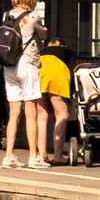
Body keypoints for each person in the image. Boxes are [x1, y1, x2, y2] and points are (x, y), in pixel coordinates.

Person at [0, 0, 48, 169]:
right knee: (31, 112)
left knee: (14, 113)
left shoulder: (7, 15)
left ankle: (9, 156)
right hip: (28, 64)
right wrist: (42, 32)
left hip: (9, 65)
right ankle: (33, 157)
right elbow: (42, 37)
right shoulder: (34, 16)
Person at [40, 36, 74, 165]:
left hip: (38, 74)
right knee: (63, 115)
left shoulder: (42, 51)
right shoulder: (68, 52)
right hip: (57, 75)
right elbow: (71, 74)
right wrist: (69, 98)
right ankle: (58, 155)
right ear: (64, 46)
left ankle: (42, 155)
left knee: (41, 117)